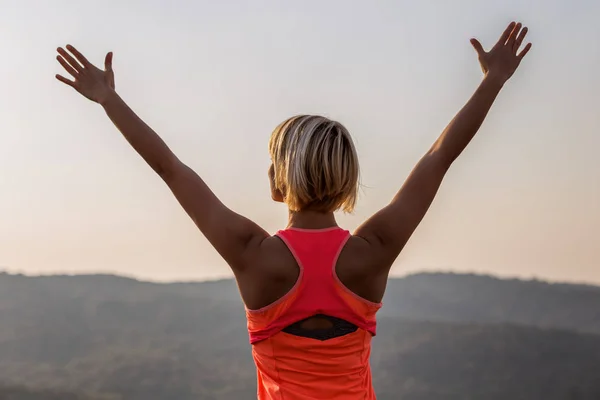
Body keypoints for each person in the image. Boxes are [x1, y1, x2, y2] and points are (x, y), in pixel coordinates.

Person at [55, 21, 532, 400]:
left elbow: (171, 170)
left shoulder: (253, 256)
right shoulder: (373, 251)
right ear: (345, 179)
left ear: (279, 180)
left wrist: (109, 100)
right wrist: (493, 81)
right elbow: (438, 158)